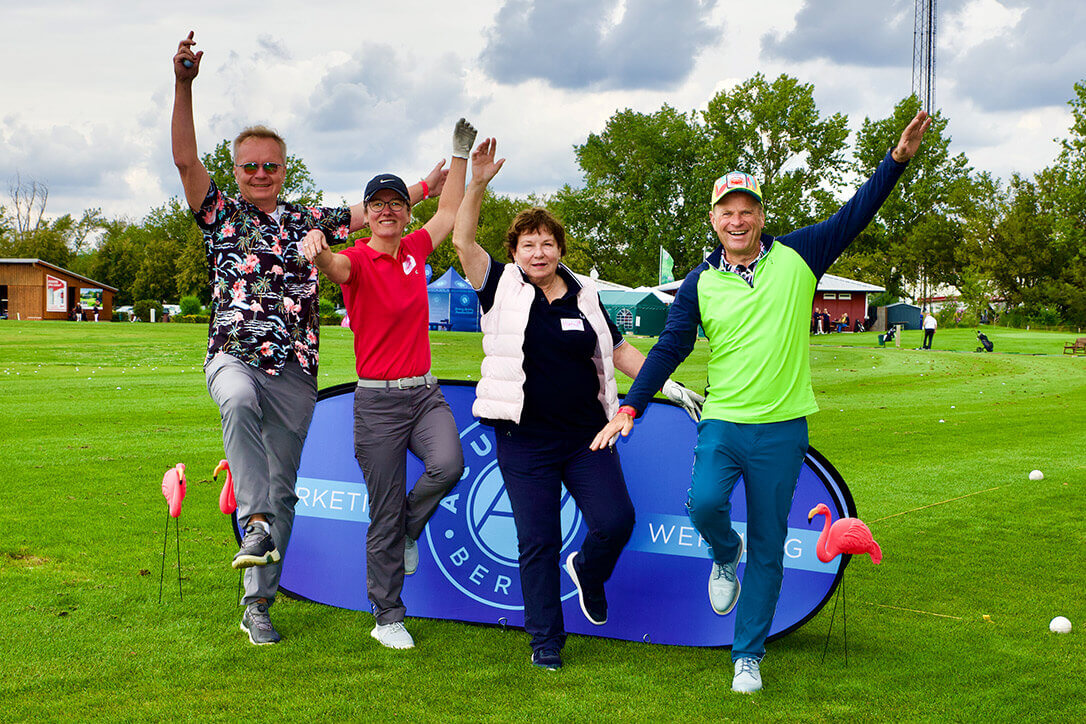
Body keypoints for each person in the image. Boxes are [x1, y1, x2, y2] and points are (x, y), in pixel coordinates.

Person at [592, 111, 931, 694]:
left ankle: (747, 655)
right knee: (704, 505)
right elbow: (671, 346)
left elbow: (856, 212)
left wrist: (896, 161)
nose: (737, 220)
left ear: (761, 216)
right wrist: (632, 405)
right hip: (723, 421)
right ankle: (725, 554)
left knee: (770, 547)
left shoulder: (801, 255)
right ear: (713, 220)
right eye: (726, 212)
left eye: (746, 210)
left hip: (782, 426)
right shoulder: (699, 282)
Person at [171, 32, 447, 646]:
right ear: (236, 171)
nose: (260, 173)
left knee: (283, 490)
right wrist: (184, 85)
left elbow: (375, 212)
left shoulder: (306, 219)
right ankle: (253, 520)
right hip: (234, 355)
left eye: (270, 165)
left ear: (283, 170)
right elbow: (187, 162)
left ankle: (258, 602)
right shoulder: (220, 215)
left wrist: (425, 187)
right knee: (237, 402)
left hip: (296, 369)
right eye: (249, 166)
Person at [448, 139, 704, 671]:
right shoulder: (498, 285)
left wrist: (668, 385)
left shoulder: (585, 293)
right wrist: (477, 184)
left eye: (547, 243)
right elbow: (462, 240)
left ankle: (588, 570)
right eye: (528, 245)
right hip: (524, 440)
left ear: (560, 249)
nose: (538, 253)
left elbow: (618, 350)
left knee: (616, 520)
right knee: (537, 540)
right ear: (514, 252)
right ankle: (546, 641)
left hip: (588, 435)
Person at [300, 120, 477, 651]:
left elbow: (449, 211)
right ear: (368, 213)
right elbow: (335, 267)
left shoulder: (416, 250)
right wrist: (318, 251)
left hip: (424, 394)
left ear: (405, 212)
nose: (386, 210)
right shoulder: (357, 257)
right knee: (383, 508)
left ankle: (408, 530)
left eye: (395, 203)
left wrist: (459, 154)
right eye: (377, 204)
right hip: (377, 401)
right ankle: (387, 616)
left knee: (449, 465)